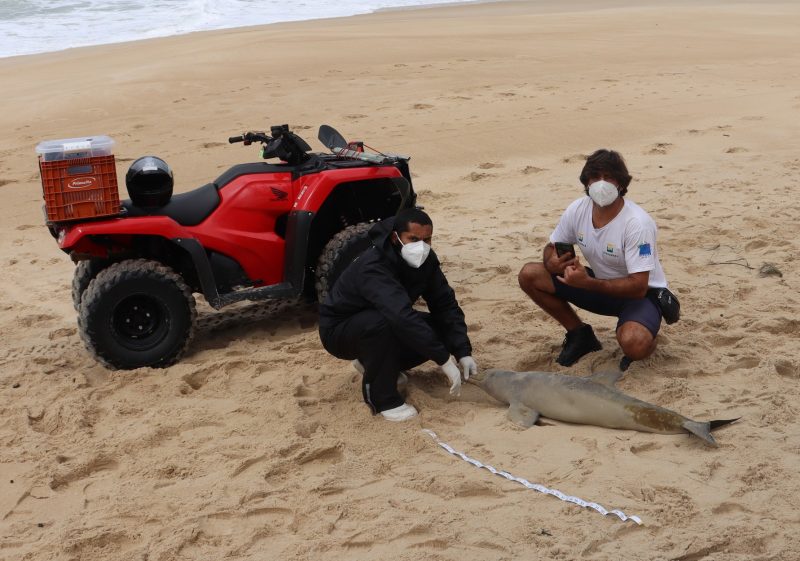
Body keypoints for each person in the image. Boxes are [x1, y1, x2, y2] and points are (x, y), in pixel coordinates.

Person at [318, 208, 478, 421]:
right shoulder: (373, 265)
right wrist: (443, 361)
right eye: (413, 239)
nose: (420, 246)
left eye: (427, 239)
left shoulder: (427, 260)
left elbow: (445, 304)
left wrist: (462, 351)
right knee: (384, 322)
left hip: (383, 320)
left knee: (439, 329)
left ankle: (375, 363)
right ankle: (384, 400)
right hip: (340, 330)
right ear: (396, 237)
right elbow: (400, 315)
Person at [518, 149, 669, 371]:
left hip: (641, 296)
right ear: (586, 182)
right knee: (530, 274)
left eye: (609, 177)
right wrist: (552, 262)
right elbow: (552, 246)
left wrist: (588, 283)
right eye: (595, 177)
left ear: (621, 183)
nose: (601, 183)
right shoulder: (578, 209)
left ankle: (649, 336)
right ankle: (580, 335)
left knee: (634, 344)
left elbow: (638, 286)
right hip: (598, 285)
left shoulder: (637, 223)